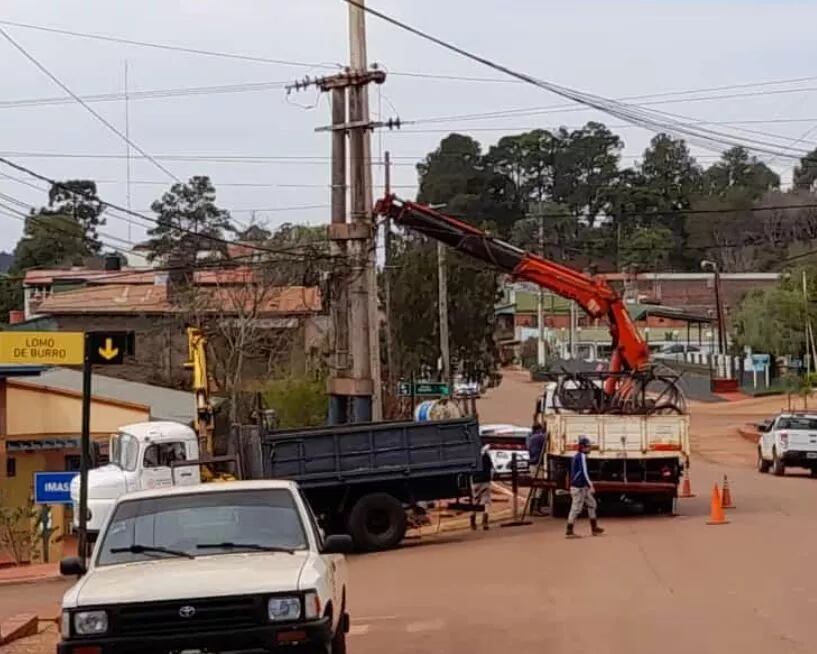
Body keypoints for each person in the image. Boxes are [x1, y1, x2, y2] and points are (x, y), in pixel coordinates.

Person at [566, 436, 604, 538]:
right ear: (583, 447)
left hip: (581, 486)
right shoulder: (581, 456)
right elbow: (584, 472)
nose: (589, 448)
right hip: (579, 487)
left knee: (592, 504)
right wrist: (590, 485)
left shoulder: (577, 456)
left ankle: (594, 528)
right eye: (588, 447)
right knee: (575, 509)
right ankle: (569, 531)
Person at [470, 443, 493, 531]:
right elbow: (490, 468)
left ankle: (473, 521)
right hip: (485, 481)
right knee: (486, 502)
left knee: (475, 501)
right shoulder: (486, 456)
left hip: (475, 481)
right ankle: (485, 522)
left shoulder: (474, 455)